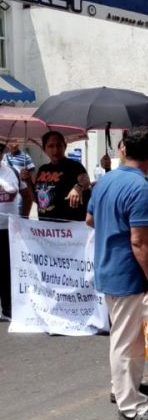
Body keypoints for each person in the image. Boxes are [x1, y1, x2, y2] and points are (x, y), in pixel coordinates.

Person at [86, 128, 148, 420]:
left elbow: (90, 219)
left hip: (108, 268)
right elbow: (140, 241)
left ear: (123, 150)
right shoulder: (141, 188)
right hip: (127, 275)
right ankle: (130, 404)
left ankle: (125, 386)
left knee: (128, 337)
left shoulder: (105, 181)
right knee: (126, 340)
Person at [0, 141, 31, 321]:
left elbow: (26, 196)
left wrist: (24, 218)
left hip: (8, 229)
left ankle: (8, 308)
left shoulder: (11, 171)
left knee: (6, 270)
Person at [34, 131, 91, 221]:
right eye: (51, 146)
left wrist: (78, 187)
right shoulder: (42, 169)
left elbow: (85, 180)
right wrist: (26, 180)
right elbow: (35, 198)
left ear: (65, 147)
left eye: (59, 145)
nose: (55, 150)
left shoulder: (74, 166)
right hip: (45, 227)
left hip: (69, 228)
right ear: (44, 149)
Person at [3, 139, 35, 215]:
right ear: (7, 144)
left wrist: (31, 186)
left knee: (20, 211)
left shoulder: (25, 157)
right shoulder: (4, 157)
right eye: (11, 143)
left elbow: (32, 173)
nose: (13, 145)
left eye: (15, 142)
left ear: (19, 144)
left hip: (21, 190)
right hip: (7, 189)